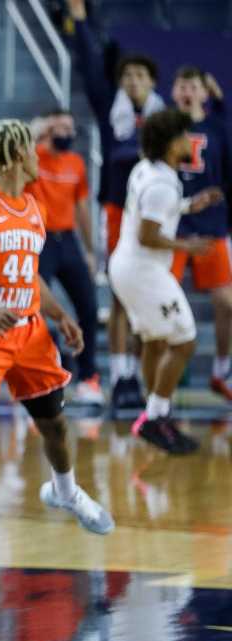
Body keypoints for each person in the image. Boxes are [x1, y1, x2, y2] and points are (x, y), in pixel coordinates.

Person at [0, 119, 114, 597]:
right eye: (34, 149)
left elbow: (29, 276)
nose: (41, 157)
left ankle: (65, 492)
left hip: (29, 333)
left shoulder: (33, 206)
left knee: (56, 428)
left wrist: (61, 314)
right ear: (16, 156)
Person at [64, 0, 163, 411]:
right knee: (122, 294)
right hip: (117, 209)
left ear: (152, 82)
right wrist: (81, 21)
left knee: (148, 297)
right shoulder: (111, 111)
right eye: (127, 76)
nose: (133, 81)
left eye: (140, 76)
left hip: (155, 215)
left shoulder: (167, 119)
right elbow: (89, 64)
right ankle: (122, 374)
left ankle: (141, 375)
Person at [109, 109, 224, 454]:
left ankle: (154, 411)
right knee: (185, 340)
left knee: (156, 342)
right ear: (173, 143)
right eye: (185, 135)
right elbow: (148, 234)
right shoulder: (161, 183)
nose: (190, 140)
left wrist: (189, 205)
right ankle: (155, 417)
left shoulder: (149, 169)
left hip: (128, 267)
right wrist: (186, 245)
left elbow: (154, 211)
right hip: (144, 270)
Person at [28, 109, 103, 403]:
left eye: (70, 128)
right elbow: (15, 151)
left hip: (68, 239)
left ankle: (88, 377)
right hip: (39, 238)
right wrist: (38, 129)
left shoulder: (76, 162)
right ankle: (37, 375)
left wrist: (89, 249)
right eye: (60, 127)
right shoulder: (32, 155)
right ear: (48, 129)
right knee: (32, 306)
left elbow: (83, 208)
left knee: (88, 306)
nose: (67, 134)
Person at [170, 66, 232, 402]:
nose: (187, 91)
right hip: (173, 228)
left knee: (226, 302)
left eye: (193, 86)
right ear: (173, 91)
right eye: (181, 85)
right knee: (162, 302)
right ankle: (165, 372)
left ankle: (222, 370)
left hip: (211, 227)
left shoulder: (218, 127)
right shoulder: (163, 126)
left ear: (204, 94)